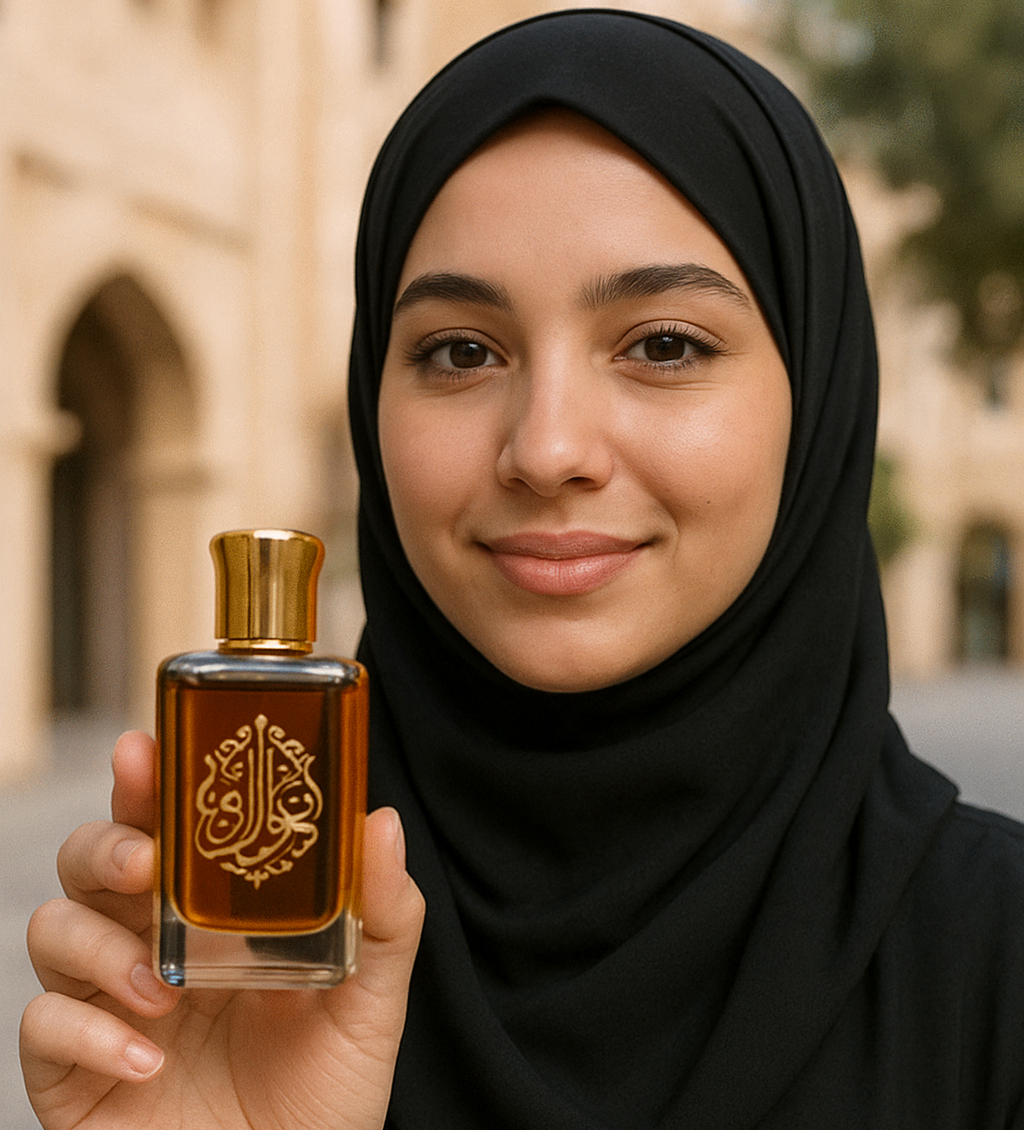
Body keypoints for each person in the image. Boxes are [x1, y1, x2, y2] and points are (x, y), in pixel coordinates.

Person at [20, 9, 1024, 1129]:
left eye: (664, 345)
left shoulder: (996, 966)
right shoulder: (259, 937)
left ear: (818, 393)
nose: (546, 450)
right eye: (460, 351)